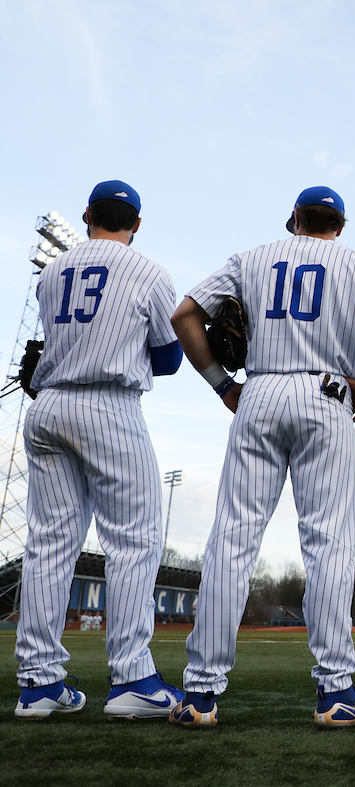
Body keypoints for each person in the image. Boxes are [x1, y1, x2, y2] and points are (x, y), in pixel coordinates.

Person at [169, 186, 355, 728]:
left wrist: (221, 383)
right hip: (325, 394)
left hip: (258, 392)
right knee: (328, 541)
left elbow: (185, 316)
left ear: (294, 220)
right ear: (340, 225)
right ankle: (336, 690)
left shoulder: (251, 258)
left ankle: (199, 695)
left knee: (232, 538)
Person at [14, 181, 185, 720]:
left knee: (48, 544)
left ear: (88, 215)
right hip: (107, 407)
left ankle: (38, 684)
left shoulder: (51, 272)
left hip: (48, 406)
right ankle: (133, 675)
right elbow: (168, 359)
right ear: (136, 224)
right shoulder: (149, 270)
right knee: (133, 539)